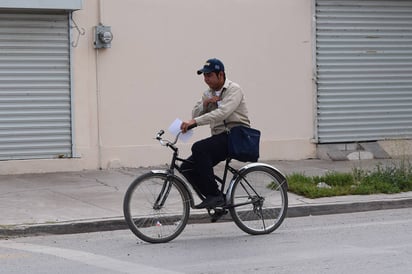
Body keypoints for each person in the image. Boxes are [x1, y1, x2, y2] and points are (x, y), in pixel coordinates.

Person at [180, 58, 251, 209]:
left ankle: (214, 196)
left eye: (209, 75)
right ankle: (218, 200)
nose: (206, 79)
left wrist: (195, 122)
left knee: (200, 148)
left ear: (221, 75)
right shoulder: (208, 93)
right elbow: (195, 114)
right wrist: (205, 104)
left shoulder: (234, 89)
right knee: (186, 167)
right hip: (220, 137)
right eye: (204, 76)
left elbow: (222, 113)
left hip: (236, 136)